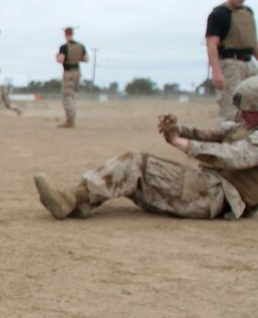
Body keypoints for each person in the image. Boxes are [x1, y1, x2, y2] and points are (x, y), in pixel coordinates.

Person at [33, 76, 258, 221]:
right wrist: (177, 130)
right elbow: (213, 135)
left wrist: (183, 144)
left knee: (135, 164)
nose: (241, 115)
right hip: (207, 189)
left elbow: (233, 157)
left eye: (246, 109)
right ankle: (80, 201)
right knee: (134, 180)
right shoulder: (245, 127)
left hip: (215, 196)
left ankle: (72, 198)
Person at [206, 0, 256, 129]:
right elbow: (211, 43)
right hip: (230, 64)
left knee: (253, 104)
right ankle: (225, 146)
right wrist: (217, 72)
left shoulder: (248, 13)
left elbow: (252, 42)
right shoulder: (219, 14)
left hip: (249, 63)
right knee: (230, 108)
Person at [56, 27, 88, 128]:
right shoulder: (81, 46)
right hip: (77, 72)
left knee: (67, 96)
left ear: (65, 34)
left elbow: (61, 59)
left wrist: (57, 57)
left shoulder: (64, 47)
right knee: (74, 95)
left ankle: (70, 119)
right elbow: (86, 59)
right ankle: (71, 117)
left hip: (68, 72)